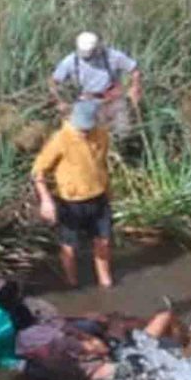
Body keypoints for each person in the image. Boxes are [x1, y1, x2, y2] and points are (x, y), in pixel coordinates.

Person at [0, 279, 186, 380]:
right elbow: (100, 349)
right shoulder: (52, 337)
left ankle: (172, 339)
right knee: (160, 318)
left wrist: (78, 321)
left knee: (110, 322)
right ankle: (186, 348)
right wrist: (88, 335)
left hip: (45, 361)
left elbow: (54, 325)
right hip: (99, 368)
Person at [32, 99, 114, 287]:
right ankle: (72, 282)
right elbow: (38, 171)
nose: (84, 132)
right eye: (81, 128)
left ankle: (106, 281)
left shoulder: (101, 134)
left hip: (98, 197)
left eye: (88, 128)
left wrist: (109, 190)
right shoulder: (60, 139)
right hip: (71, 202)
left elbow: (102, 165)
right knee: (69, 247)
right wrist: (46, 200)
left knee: (104, 241)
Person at [49, 31, 142, 137]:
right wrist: (59, 102)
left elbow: (135, 71)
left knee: (124, 132)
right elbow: (53, 82)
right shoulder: (70, 62)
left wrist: (135, 87)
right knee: (93, 135)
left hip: (113, 98)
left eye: (90, 54)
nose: (87, 57)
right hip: (88, 101)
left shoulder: (112, 56)